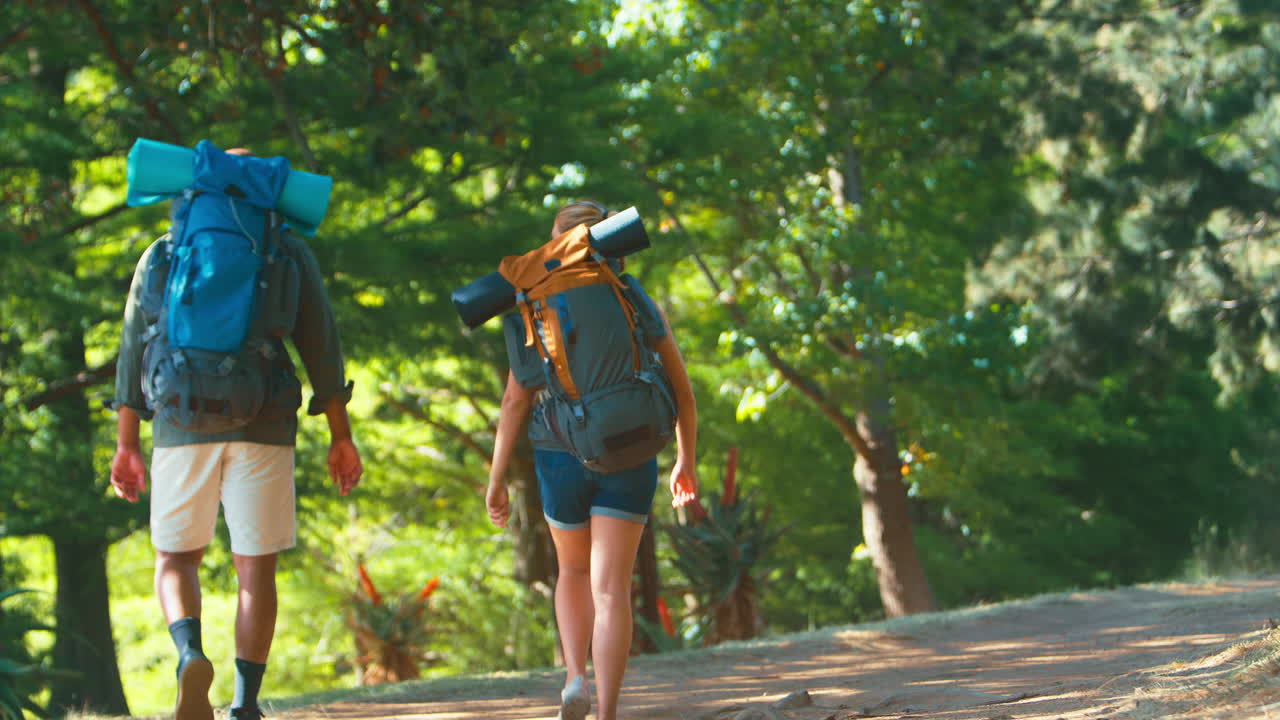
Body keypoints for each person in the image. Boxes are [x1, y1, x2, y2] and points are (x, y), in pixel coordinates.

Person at [108, 148, 363, 720]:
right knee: (255, 568)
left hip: (180, 417)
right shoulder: (286, 248)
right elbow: (322, 347)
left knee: (176, 558)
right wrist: (340, 436)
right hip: (263, 418)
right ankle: (245, 705)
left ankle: (189, 652)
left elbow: (131, 349)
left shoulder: (166, 250)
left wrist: (126, 445)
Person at [485, 200, 700, 720]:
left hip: (559, 454)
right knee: (611, 589)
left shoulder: (536, 301)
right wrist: (686, 460)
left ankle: (574, 679)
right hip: (632, 448)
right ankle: (606, 713)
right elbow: (682, 390)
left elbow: (515, 400)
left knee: (573, 571)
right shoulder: (630, 295)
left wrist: (496, 478)